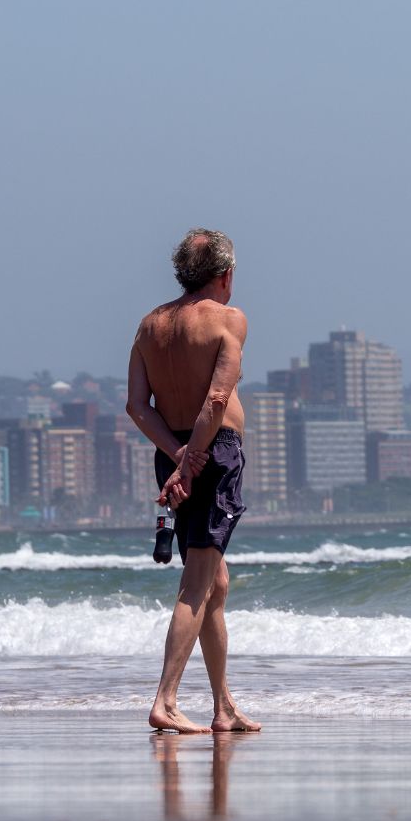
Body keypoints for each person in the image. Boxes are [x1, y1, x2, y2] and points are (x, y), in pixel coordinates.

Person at [126, 228, 262, 735]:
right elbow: (216, 401)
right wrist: (194, 462)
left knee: (216, 583)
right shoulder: (229, 319)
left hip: (174, 451)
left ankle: (223, 705)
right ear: (225, 275)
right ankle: (165, 699)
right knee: (197, 585)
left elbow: (138, 407)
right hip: (213, 456)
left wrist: (177, 456)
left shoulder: (150, 325)